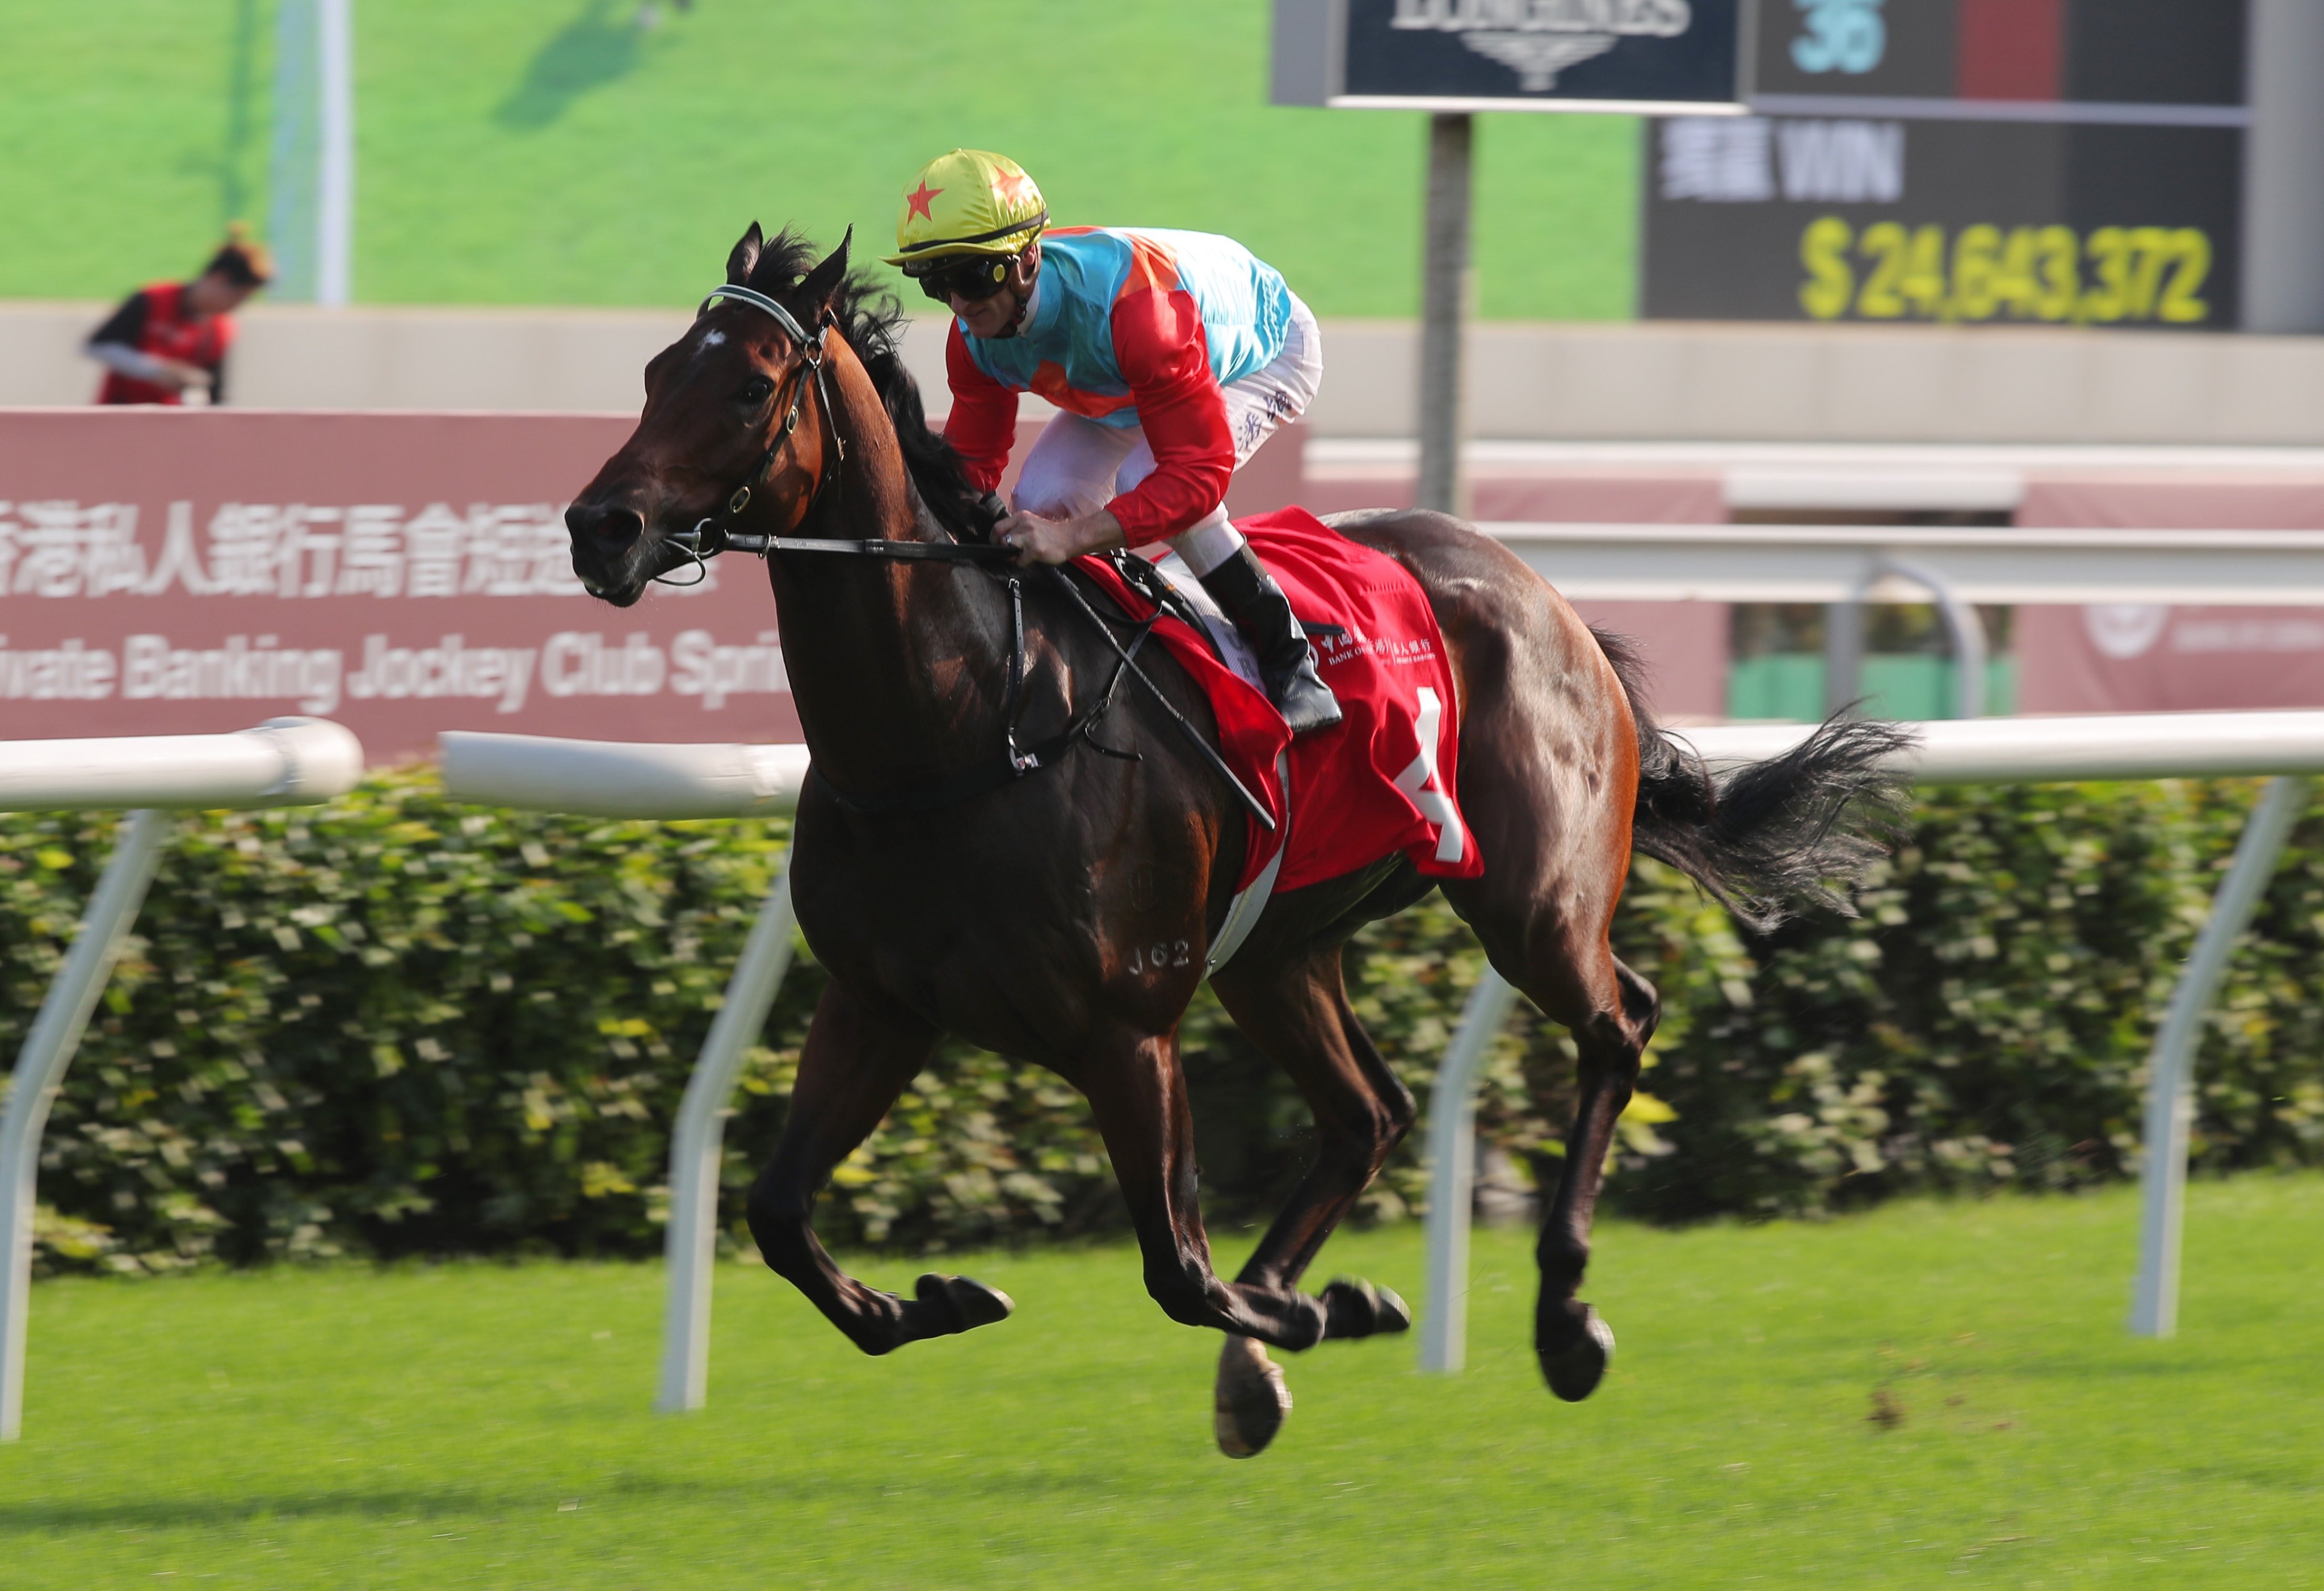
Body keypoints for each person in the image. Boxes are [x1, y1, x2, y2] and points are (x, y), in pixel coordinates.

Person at [887, 149, 1340, 736]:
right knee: (1039, 502)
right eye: (937, 282)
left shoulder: (1140, 314)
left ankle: (1291, 659)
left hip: (1263, 351)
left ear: (1027, 261)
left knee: (1144, 483)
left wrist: (1074, 537)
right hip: (1129, 379)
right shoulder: (973, 339)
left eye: (973, 276)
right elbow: (973, 469)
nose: (959, 303)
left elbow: (1195, 481)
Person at [86, 226, 274, 407]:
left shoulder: (221, 329)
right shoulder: (154, 299)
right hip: (118, 416)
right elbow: (98, 345)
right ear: (219, 279)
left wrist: (194, 387)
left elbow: (215, 395)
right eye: (239, 297)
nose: (237, 306)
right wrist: (156, 371)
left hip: (172, 427)